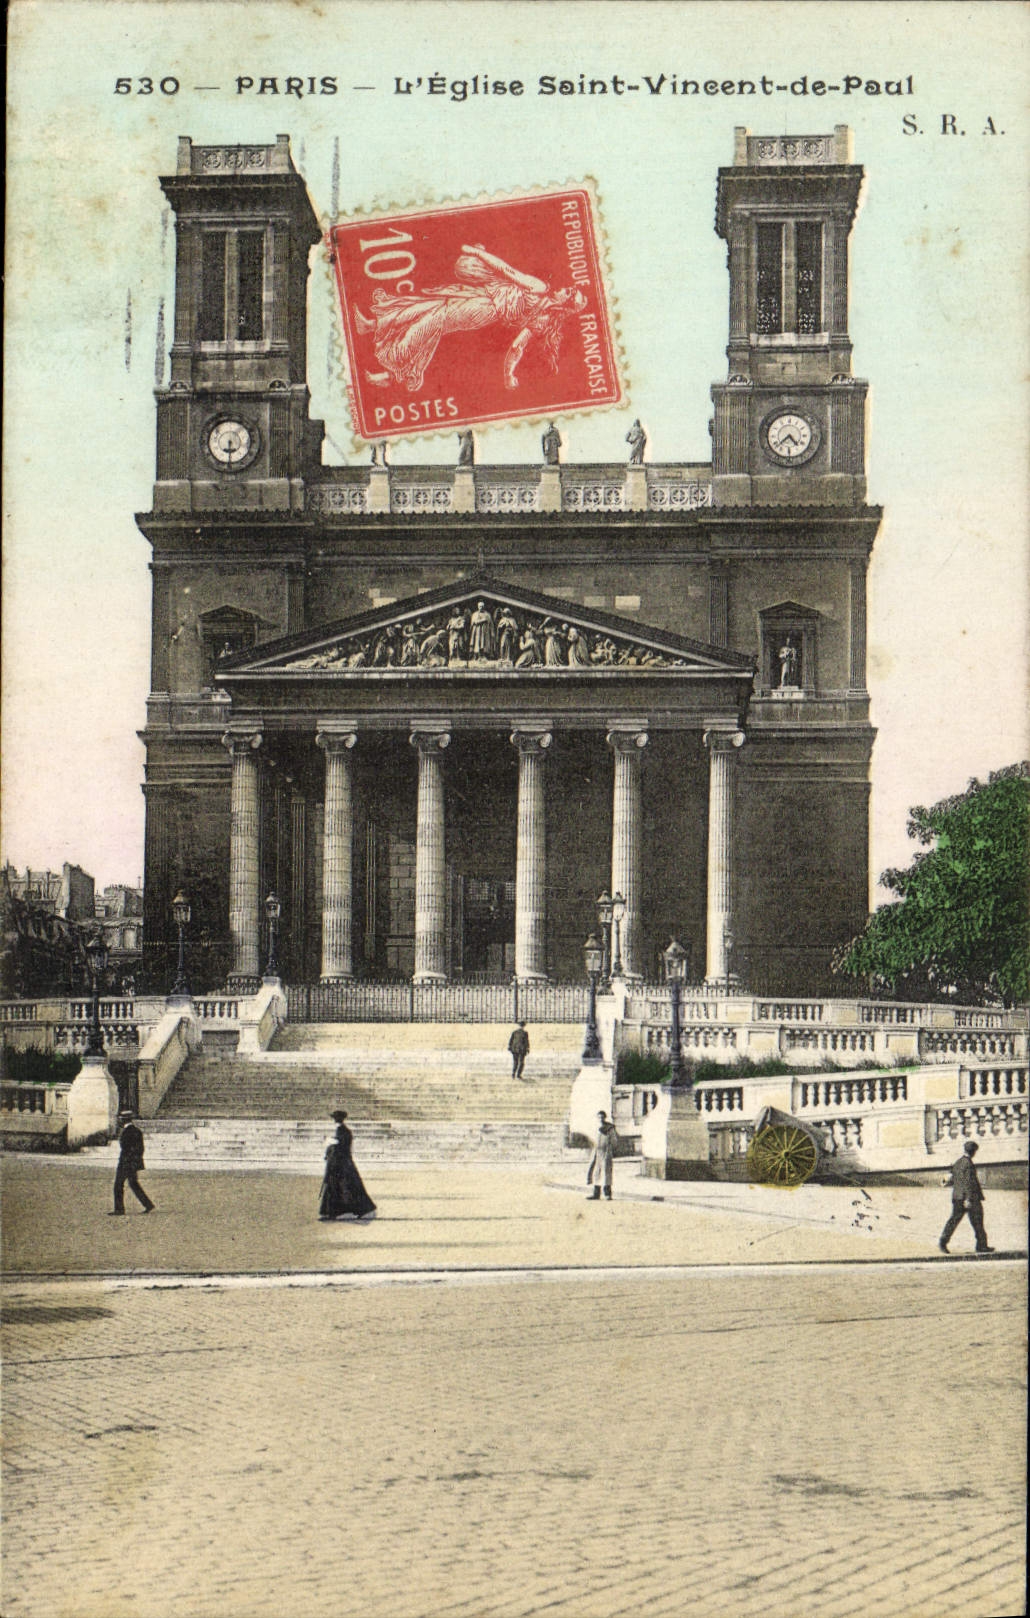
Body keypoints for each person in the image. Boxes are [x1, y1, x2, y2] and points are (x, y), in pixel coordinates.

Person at [355, 244, 587, 393]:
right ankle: (373, 326)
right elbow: (517, 346)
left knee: (435, 318)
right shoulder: (544, 311)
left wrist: (478, 253)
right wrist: (508, 375)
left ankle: (393, 367)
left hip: (483, 307)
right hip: (481, 299)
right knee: (431, 306)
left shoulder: (541, 294)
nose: (564, 288)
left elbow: (508, 271)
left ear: (565, 302)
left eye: (568, 292)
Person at [319, 1110, 377, 1222]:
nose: (335, 1120)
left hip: (341, 1164)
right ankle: (338, 1211)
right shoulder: (343, 1131)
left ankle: (333, 1212)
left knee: (341, 1186)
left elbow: (341, 1145)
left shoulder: (343, 1131)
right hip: (343, 1163)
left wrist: (330, 1142)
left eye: (335, 1118)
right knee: (347, 1187)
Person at [939, 1140, 994, 1253]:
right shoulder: (968, 1164)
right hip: (970, 1198)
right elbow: (968, 1182)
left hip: (957, 1197)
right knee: (978, 1222)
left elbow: (951, 1178)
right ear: (973, 1152)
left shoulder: (958, 1162)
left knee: (953, 1221)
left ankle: (943, 1242)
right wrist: (968, 1199)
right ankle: (981, 1246)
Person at [109, 1111, 154, 1215]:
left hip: (126, 1163)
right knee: (134, 1184)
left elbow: (128, 1149)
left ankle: (119, 1209)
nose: (118, 1120)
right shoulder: (136, 1131)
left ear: (123, 1119)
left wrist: (128, 1161)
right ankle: (148, 1204)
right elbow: (140, 1149)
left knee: (118, 1185)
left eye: (120, 1118)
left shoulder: (127, 1131)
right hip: (132, 1163)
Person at [587, 1111, 619, 1201]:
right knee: (596, 1173)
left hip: (606, 1152)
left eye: (602, 1117)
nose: (601, 1119)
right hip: (597, 1152)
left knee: (606, 1173)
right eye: (599, 1117)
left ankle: (607, 1194)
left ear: (605, 1118)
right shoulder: (596, 1127)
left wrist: (611, 1149)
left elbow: (614, 1140)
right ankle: (596, 1194)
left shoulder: (609, 1128)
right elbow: (593, 1139)